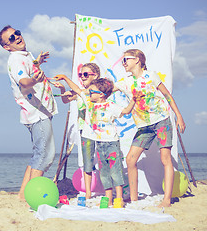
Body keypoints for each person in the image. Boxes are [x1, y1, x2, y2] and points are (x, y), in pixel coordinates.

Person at [54, 75, 141, 207]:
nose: (88, 93)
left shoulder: (111, 106)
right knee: (104, 173)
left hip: (112, 143)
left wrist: (133, 99)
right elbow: (77, 89)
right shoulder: (89, 102)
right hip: (100, 144)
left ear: (101, 95)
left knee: (115, 171)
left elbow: (126, 111)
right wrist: (65, 79)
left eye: (91, 91)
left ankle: (119, 198)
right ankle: (108, 198)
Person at [114, 48, 186, 207]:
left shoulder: (151, 76)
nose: (123, 62)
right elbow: (104, 90)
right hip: (143, 127)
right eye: (123, 60)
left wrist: (178, 116)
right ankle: (133, 199)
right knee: (130, 159)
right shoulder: (124, 81)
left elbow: (168, 96)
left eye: (126, 59)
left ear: (137, 60)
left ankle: (166, 200)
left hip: (161, 120)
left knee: (165, 159)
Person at [0, 25, 58, 201]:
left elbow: (28, 70)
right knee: (45, 156)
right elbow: (24, 80)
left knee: (38, 154)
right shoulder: (15, 59)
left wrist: (37, 62)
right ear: (6, 47)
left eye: (17, 33)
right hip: (36, 113)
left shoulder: (24, 55)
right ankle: (33, 196)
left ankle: (23, 195)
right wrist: (34, 80)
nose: (17, 37)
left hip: (38, 111)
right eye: (11, 38)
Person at [54, 63, 100, 199]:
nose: (82, 77)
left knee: (99, 160)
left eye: (85, 74)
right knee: (87, 161)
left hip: (98, 130)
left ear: (95, 75)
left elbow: (80, 92)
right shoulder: (79, 91)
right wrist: (63, 88)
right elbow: (65, 100)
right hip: (83, 130)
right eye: (81, 74)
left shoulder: (97, 89)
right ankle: (89, 192)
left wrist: (65, 78)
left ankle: (102, 188)